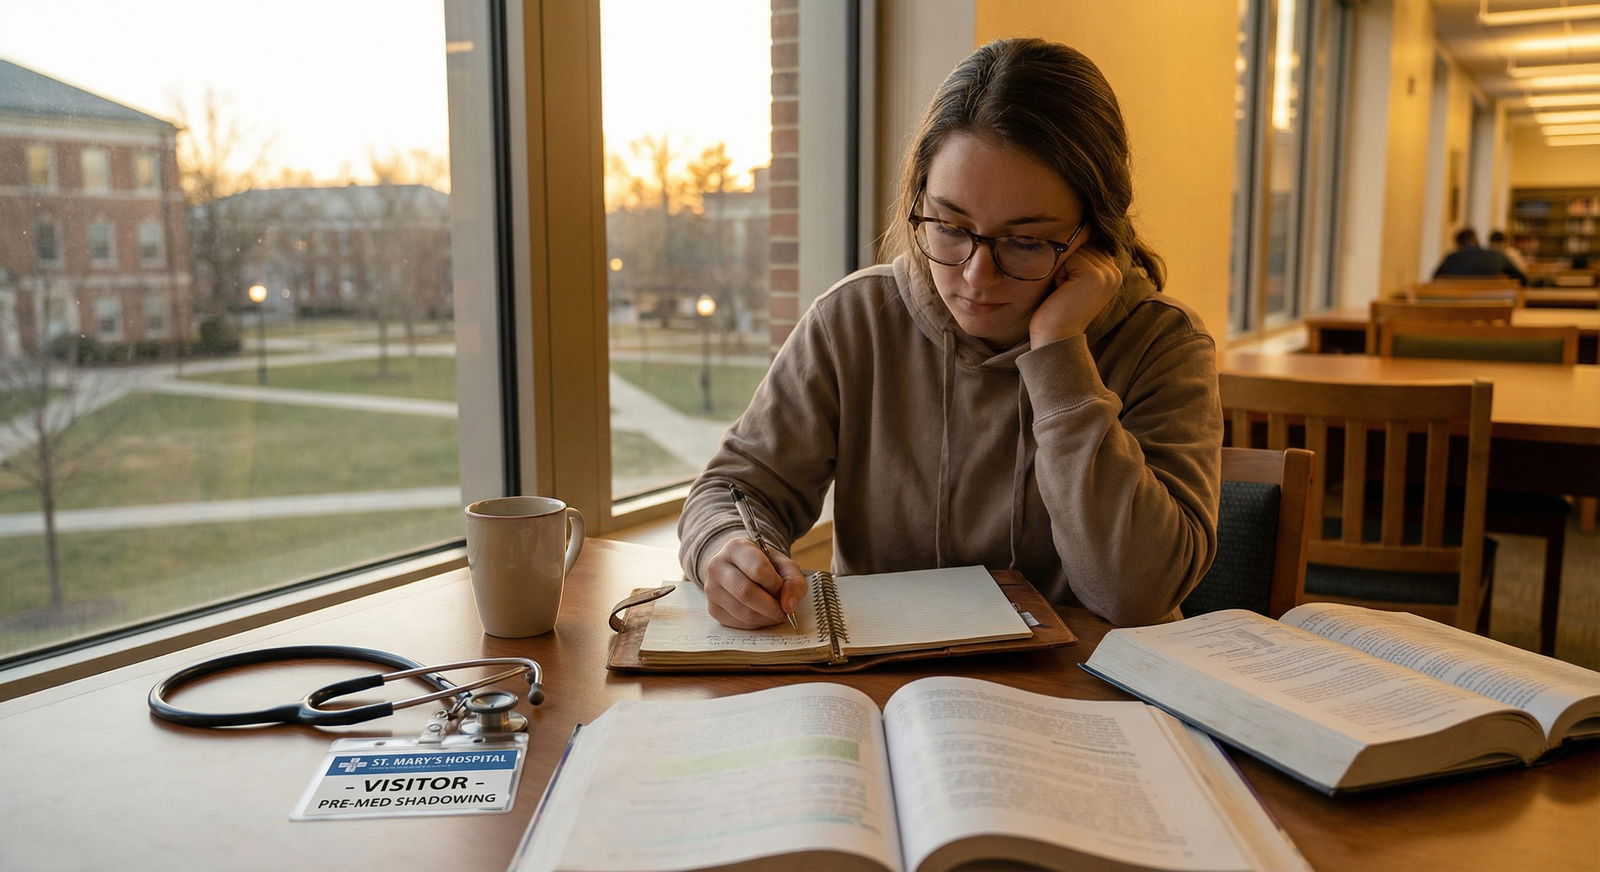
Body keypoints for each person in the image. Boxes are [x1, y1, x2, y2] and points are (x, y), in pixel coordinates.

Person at [676, 38, 1222, 630]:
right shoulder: (855, 321)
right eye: (949, 225)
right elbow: (734, 488)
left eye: (1025, 240)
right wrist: (724, 549)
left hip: (1089, 701)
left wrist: (1060, 350)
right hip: (893, 696)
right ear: (919, 204)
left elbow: (1134, 595)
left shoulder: (1163, 345)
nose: (975, 275)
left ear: (1094, 230)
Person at [1433, 228, 1527, 285]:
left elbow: (1435, 280)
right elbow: (1522, 279)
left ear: (1458, 245)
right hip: (1491, 310)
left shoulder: (1451, 258)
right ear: (1477, 240)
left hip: (1452, 310)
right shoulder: (1496, 255)